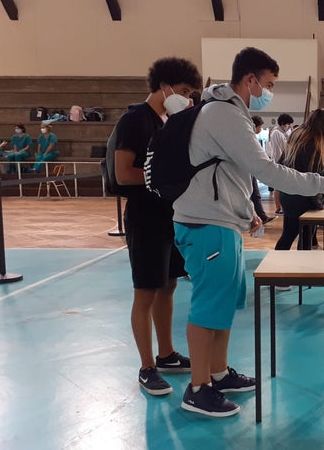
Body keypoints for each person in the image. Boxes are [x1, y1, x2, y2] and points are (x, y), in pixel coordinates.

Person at [172, 47, 324, 418]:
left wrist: (248, 209)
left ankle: (217, 374)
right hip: (207, 223)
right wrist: (322, 182)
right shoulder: (223, 113)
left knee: (223, 304)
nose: (268, 90)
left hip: (223, 220)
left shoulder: (228, 111)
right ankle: (198, 387)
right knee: (207, 307)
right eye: (267, 84)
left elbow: (236, 172)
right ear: (249, 79)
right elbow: (266, 169)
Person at [113, 57, 202, 396]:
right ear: (164, 86)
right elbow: (124, 173)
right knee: (145, 292)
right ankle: (147, 366)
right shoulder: (136, 119)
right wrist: (165, 178)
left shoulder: (168, 122)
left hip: (168, 215)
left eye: (192, 94)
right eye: (183, 91)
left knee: (168, 286)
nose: (188, 99)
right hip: (145, 217)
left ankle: (166, 354)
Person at [274, 108, 324, 251]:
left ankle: (276, 267)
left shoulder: (297, 137)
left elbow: (283, 164)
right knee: (305, 238)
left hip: (289, 195)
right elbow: (314, 177)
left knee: (288, 235)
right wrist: (318, 203)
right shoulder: (312, 144)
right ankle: (302, 270)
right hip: (304, 198)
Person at [250, 116, 275, 224]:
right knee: (253, 194)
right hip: (248, 169)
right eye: (260, 126)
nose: (261, 129)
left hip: (250, 169)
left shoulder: (252, 136)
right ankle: (259, 217)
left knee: (255, 194)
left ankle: (261, 216)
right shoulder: (249, 137)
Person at [266, 113, 293, 215]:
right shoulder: (276, 133)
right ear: (282, 123)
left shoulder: (282, 133)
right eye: (287, 124)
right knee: (278, 186)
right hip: (278, 162)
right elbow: (280, 150)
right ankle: (278, 208)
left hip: (283, 161)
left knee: (282, 186)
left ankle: (282, 206)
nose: (288, 127)